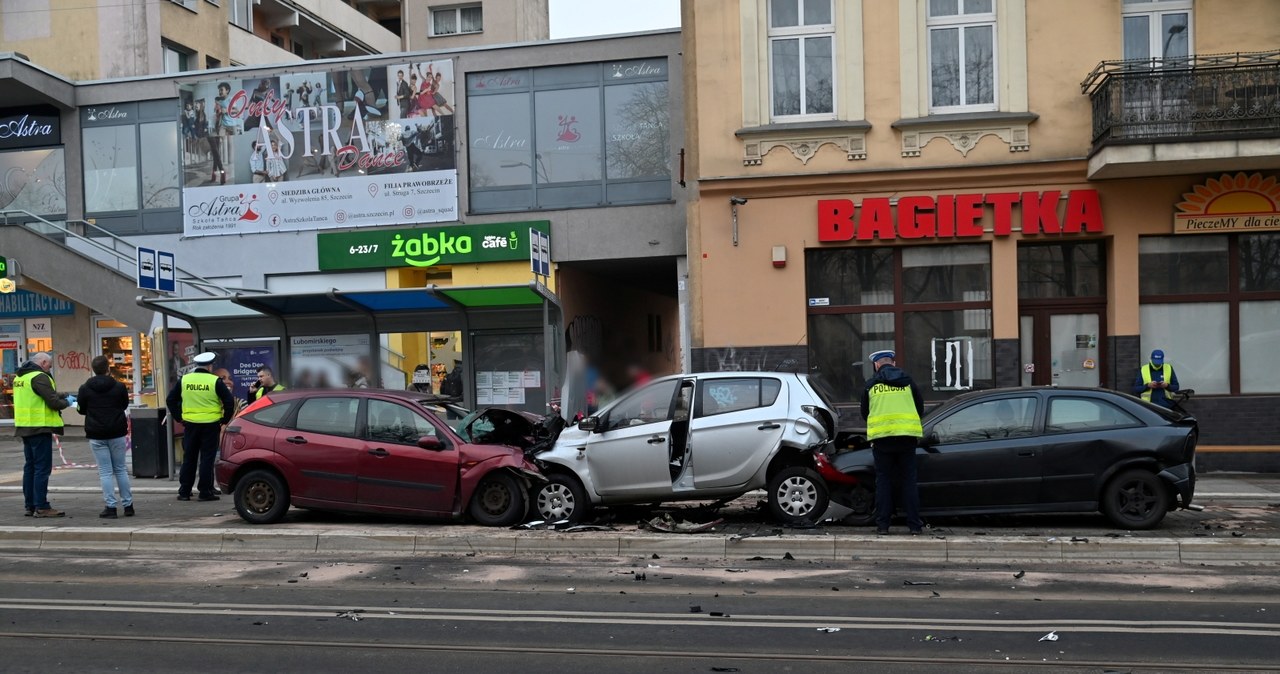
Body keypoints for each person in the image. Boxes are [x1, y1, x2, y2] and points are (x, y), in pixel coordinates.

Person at [860, 349, 925, 536]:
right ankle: (914, 526)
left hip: (882, 440)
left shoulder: (871, 385)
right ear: (893, 363)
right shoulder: (908, 382)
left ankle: (883, 526)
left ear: (876, 365)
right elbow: (919, 408)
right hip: (907, 438)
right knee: (909, 482)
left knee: (883, 482)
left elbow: (865, 413)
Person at [166, 352, 234, 502]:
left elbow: (170, 400)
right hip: (210, 425)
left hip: (190, 425)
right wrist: (224, 420)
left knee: (189, 458)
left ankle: (184, 491)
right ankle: (204, 491)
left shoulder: (184, 380)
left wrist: (179, 417)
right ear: (210, 366)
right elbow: (229, 402)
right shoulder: (214, 381)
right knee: (207, 459)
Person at [14, 352, 72, 518]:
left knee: (30, 467)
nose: (50, 367)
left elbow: (37, 395)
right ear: (43, 362)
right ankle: (42, 506)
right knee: (42, 468)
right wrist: (67, 402)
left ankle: (30, 505)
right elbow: (52, 402)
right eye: (49, 364)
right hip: (39, 428)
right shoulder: (39, 376)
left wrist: (61, 395)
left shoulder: (21, 377)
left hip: (25, 427)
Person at [77, 356, 133, 519]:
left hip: (96, 433)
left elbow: (81, 409)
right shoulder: (119, 386)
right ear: (108, 368)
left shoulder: (85, 388)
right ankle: (128, 505)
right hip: (117, 431)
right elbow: (124, 405)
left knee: (105, 471)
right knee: (121, 469)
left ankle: (111, 507)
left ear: (93, 369)